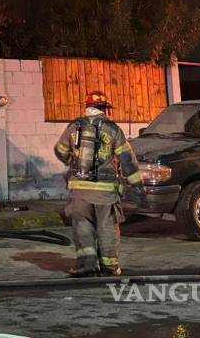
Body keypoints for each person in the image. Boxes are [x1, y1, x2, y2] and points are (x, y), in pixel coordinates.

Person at [54, 90, 142, 277]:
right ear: (104, 109)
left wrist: (73, 161)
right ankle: (109, 267)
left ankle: (86, 266)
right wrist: (136, 182)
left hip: (79, 190)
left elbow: (60, 150)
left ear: (87, 108)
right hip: (105, 193)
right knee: (107, 227)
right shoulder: (112, 129)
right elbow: (127, 159)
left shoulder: (74, 127)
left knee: (82, 226)